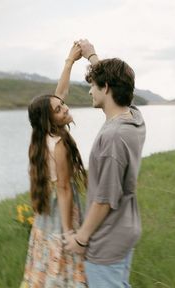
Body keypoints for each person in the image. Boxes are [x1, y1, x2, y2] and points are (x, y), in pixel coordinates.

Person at [65, 39, 146, 288]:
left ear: (106, 88)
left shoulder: (113, 137)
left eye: (93, 86)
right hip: (126, 227)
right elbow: (117, 85)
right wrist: (92, 57)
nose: (90, 91)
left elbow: (104, 199)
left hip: (108, 237)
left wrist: (81, 238)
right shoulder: (134, 117)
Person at [20, 43, 88, 287]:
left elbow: (60, 94)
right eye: (58, 110)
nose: (64, 108)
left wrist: (70, 61)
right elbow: (64, 188)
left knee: (47, 261)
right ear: (50, 120)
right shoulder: (57, 143)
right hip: (61, 210)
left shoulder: (42, 138)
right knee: (63, 265)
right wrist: (69, 231)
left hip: (47, 211)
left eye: (61, 105)